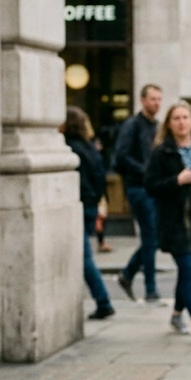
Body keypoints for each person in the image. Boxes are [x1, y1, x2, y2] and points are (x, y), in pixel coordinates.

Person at [144, 101, 191, 334]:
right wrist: (177, 180)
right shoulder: (161, 152)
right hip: (175, 223)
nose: (181, 122)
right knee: (188, 271)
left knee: (188, 272)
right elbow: (151, 185)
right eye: (176, 118)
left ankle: (176, 314)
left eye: (185, 117)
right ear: (169, 124)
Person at [62, 107, 115, 321]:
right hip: (91, 204)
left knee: (84, 257)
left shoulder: (70, 148)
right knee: (81, 254)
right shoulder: (91, 148)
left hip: (82, 203)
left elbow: (82, 182)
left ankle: (103, 301)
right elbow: (100, 177)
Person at [113, 84, 163, 302]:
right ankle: (150, 289)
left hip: (154, 189)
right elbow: (120, 157)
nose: (156, 103)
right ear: (142, 100)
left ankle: (128, 273)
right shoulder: (132, 125)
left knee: (155, 237)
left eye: (159, 99)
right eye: (152, 99)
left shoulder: (158, 127)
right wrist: (146, 171)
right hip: (138, 188)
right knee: (151, 236)